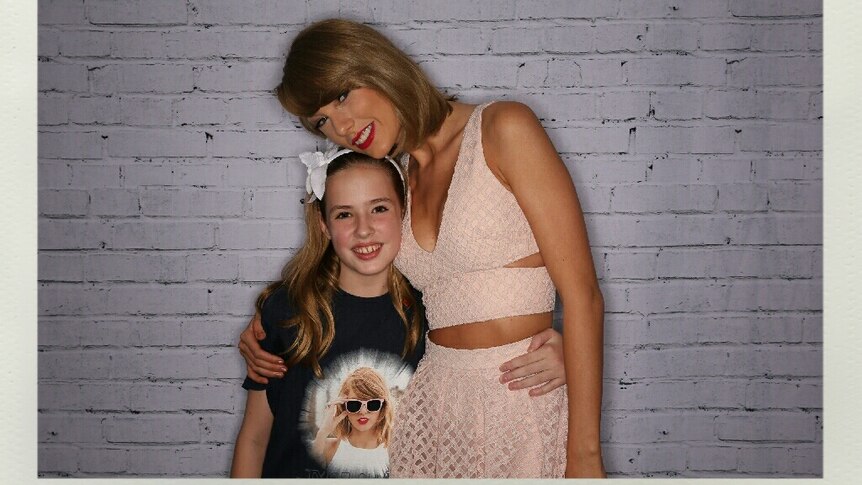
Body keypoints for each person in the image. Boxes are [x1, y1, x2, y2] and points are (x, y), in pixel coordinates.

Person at [241, 19, 605, 478]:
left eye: (341, 96)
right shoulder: (397, 180)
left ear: (374, 64)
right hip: (433, 411)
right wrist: (269, 320)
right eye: (323, 122)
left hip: (519, 402)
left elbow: (584, 296)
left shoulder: (503, 128)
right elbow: (353, 263)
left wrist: (586, 456)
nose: (343, 127)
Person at [230, 148, 421, 478]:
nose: (364, 229)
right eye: (344, 214)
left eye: (378, 208)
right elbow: (254, 439)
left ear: (403, 210)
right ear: (323, 224)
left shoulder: (431, 315)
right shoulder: (288, 312)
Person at [311, 367, 393, 478]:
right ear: (343, 405)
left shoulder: (395, 452)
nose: (363, 412)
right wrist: (324, 431)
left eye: (373, 404)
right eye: (354, 404)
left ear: (383, 407)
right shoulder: (327, 447)